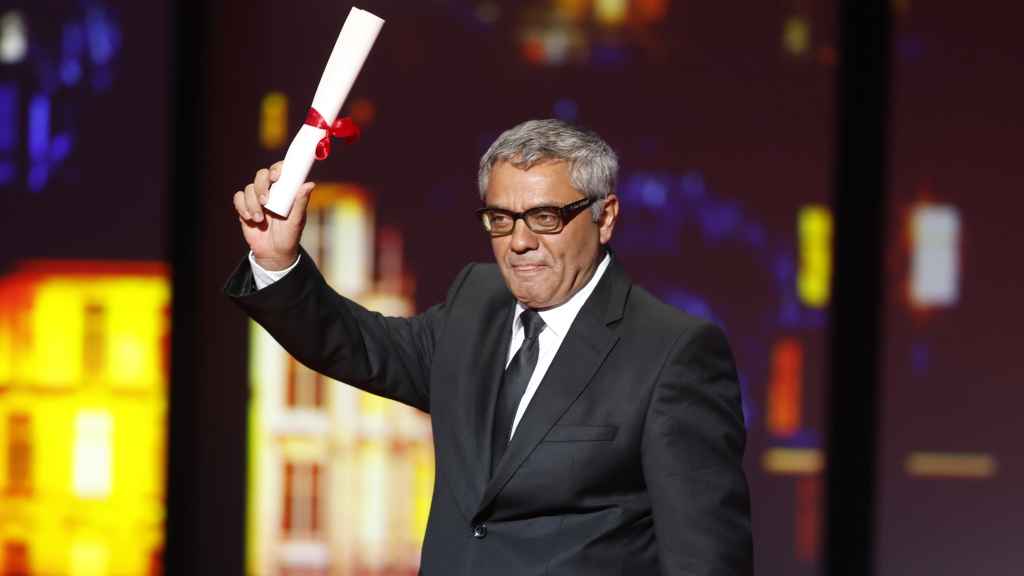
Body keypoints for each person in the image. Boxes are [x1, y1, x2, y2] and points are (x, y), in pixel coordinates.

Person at [225, 119, 752, 575]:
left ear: (605, 217)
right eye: (501, 218)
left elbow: (704, 563)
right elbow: (359, 345)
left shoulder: (673, 353)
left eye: (545, 217)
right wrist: (277, 260)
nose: (519, 241)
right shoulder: (476, 303)